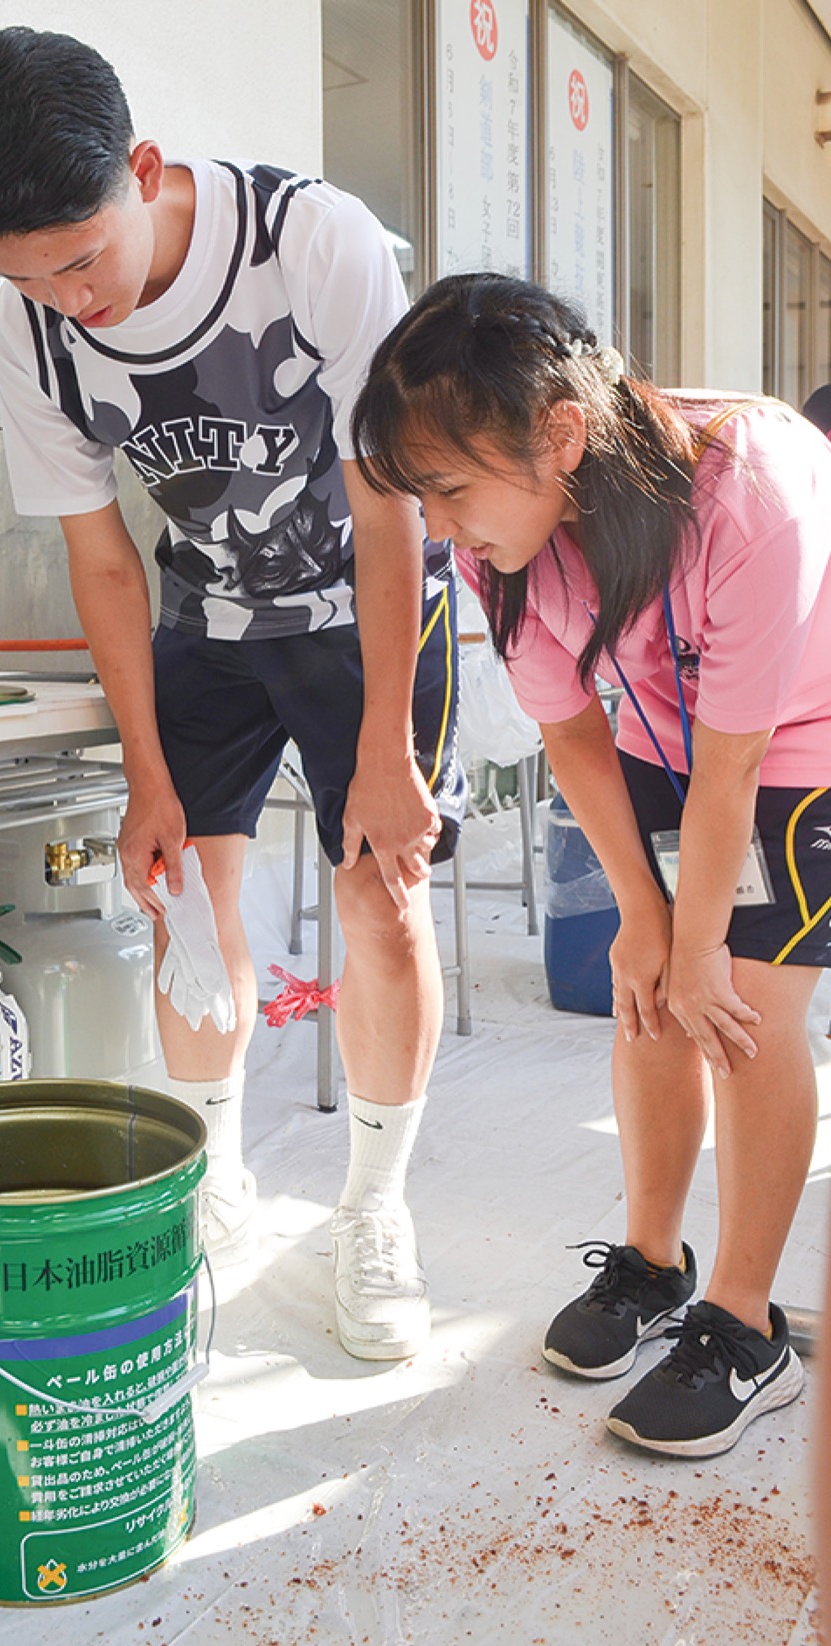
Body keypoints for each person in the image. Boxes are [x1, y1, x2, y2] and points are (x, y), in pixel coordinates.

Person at [0, 28, 466, 1360]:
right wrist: (148, 779)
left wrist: (386, 746)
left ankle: (375, 1210)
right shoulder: (29, 332)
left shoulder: (308, 242)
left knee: (377, 898)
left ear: (145, 170)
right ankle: (215, 1173)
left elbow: (388, 505)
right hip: (207, 617)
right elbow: (103, 558)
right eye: (24, 276)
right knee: (185, 901)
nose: (67, 299)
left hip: (363, 606)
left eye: (81, 259)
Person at [351, 270, 831, 1455]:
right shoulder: (501, 547)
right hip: (664, 729)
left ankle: (745, 1323)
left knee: (740, 1000)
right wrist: (643, 917)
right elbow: (571, 732)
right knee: (648, 987)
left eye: (450, 490)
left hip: (799, 733)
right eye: (424, 499)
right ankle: (655, 1263)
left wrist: (700, 941)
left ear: (561, 432)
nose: (440, 530)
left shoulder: (752, 488)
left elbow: (738, 762)